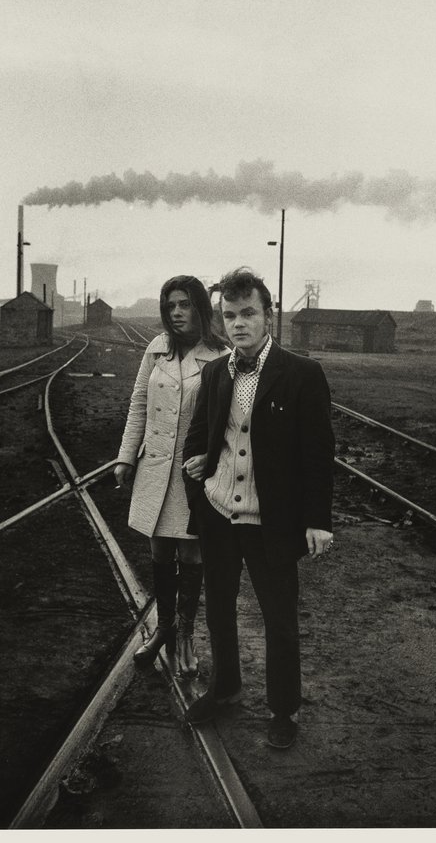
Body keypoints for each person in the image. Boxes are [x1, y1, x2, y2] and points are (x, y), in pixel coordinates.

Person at [182, 267, 335, 749]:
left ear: (268, 316)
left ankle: (283, 709)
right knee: (219, 612)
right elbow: (201, 431)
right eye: (229, 315)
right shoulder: (215, 371)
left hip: (272, 523)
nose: (238, 324)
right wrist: (199, 464)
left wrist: (317, 521)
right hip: (219, 513)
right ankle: (225, 687)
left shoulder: (302, 374)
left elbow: (317, 453)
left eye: (248, 313)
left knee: (280, 621)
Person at [115, 275, 229, 678]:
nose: (176, 313)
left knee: (191, 554)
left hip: (194, 476)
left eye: (184, 305)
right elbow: (139, 404)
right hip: (154, 468)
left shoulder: (219, 355)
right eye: (170, 307)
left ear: (201, 308)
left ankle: (185, 636)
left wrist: (212, 462)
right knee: (160, 553)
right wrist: (126, 458)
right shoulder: (156, 349)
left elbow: (228, 423)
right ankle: (163, 628)